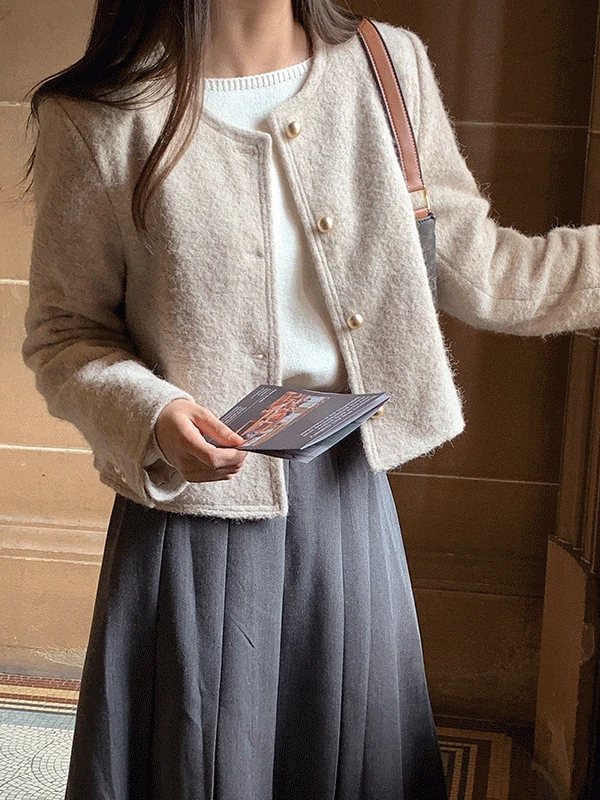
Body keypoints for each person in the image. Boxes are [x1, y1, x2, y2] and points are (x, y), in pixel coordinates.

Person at [19, 0, 600, 798]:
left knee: (354, 761)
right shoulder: (99, 114)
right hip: (195, 517)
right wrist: (152, 416)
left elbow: (487, 272)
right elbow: (65, 336)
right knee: (202, 763)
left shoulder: (386, 67)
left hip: (349, 504)